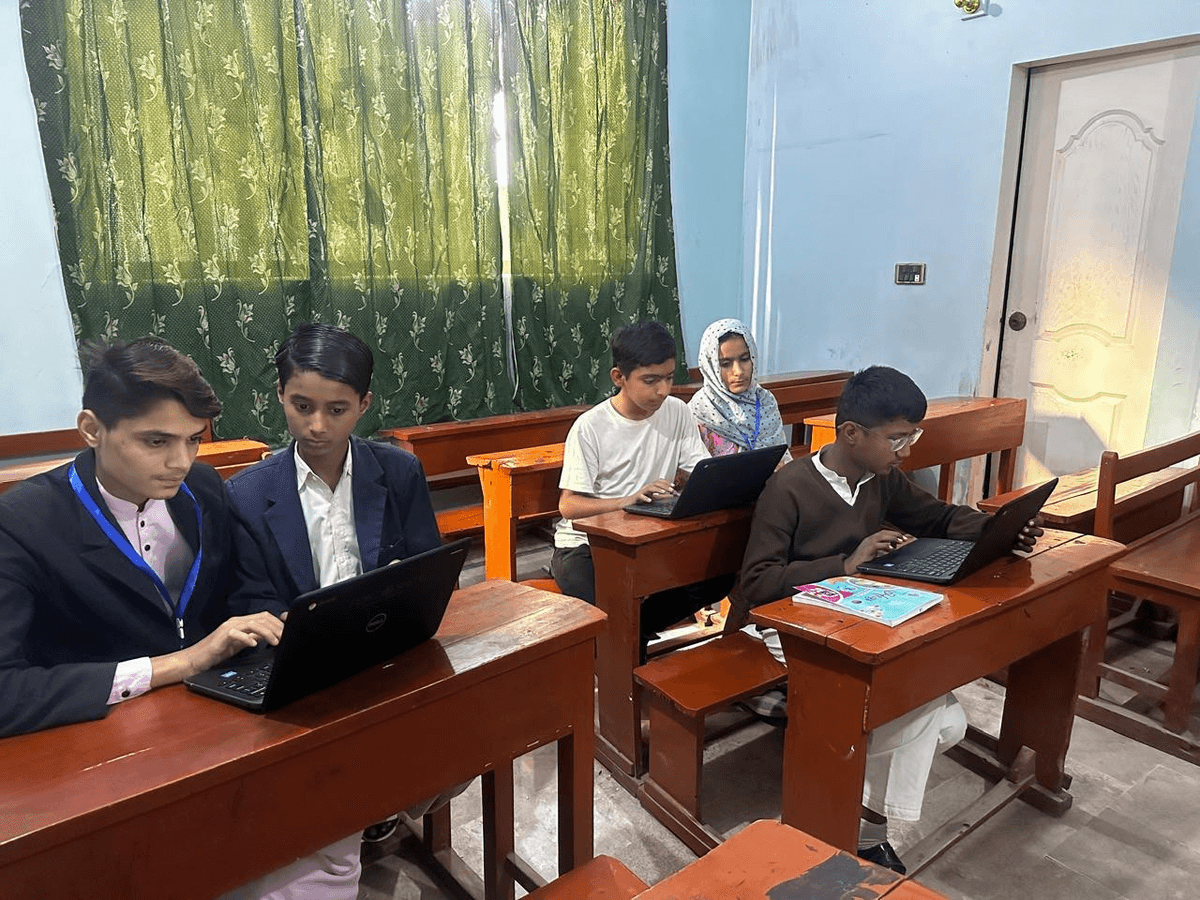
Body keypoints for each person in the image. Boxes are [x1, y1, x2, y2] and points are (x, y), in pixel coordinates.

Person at [730, 365, 1041, 874]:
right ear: (851, 433)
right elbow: (758, 583)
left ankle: (855, 816)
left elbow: (938, 517)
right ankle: (866, 831)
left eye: (912, 436)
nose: (906, 450)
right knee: (929, 711)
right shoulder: (788, 488)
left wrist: (1000, 529)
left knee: (944, 718)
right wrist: (845, 565)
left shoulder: (881, 479)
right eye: (898, 438)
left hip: (856, 619)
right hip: (786, 625)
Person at [223, 323, 444, 900]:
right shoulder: (247, 493)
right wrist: (286, 627)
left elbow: (427, 569)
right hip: (306, 670)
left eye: (337, 410)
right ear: (280, 396)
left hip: (388, 653)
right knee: (328, 770)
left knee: (459, 736)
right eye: (302, 406)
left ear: (364, 405)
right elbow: (251, 599)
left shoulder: (397, 472)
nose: (317, 426)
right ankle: (357, 816)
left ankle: (380, 807)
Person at [0, 338, 283, 739]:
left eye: (193, 439)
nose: (181, 462)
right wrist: (179, 663)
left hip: (216, 711)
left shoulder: (203, 487)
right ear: (92, 429)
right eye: (156, 441)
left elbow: (249, 592)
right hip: (98, 736)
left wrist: (277, 624)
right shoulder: (21, 523)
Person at [551, 320, 733, 645]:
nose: (663, 390)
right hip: (586, 546)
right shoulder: (590, 427)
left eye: (669, 377)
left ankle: (632, 637)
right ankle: (630, 642)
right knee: (608, 609)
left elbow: (701, 470)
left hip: (647, 539)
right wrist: (627, 500)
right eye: (650, 380)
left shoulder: (677, 411)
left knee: (720, 574)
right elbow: (569, 506)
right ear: (618, 377)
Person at [687, 317, 791, 465]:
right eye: (725, 364)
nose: (738, 371)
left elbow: (782, 458)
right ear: (710, 365)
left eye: (744, 359)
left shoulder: (765, 401)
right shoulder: (698, 411)